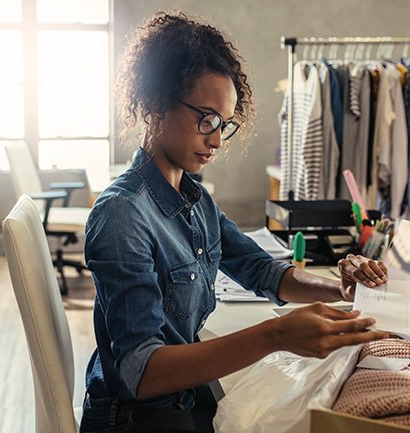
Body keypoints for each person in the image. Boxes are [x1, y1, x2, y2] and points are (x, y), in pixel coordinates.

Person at [80, 11, 389, 432]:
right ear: (155, 105)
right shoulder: (122, 214)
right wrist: (274, 335)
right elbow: (142, 372)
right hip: (135, 419)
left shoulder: (194, 199)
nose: (216, 139)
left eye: (224, 124)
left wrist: (341, 290)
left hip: (179, 399)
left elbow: (263, 270)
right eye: (205, 118)